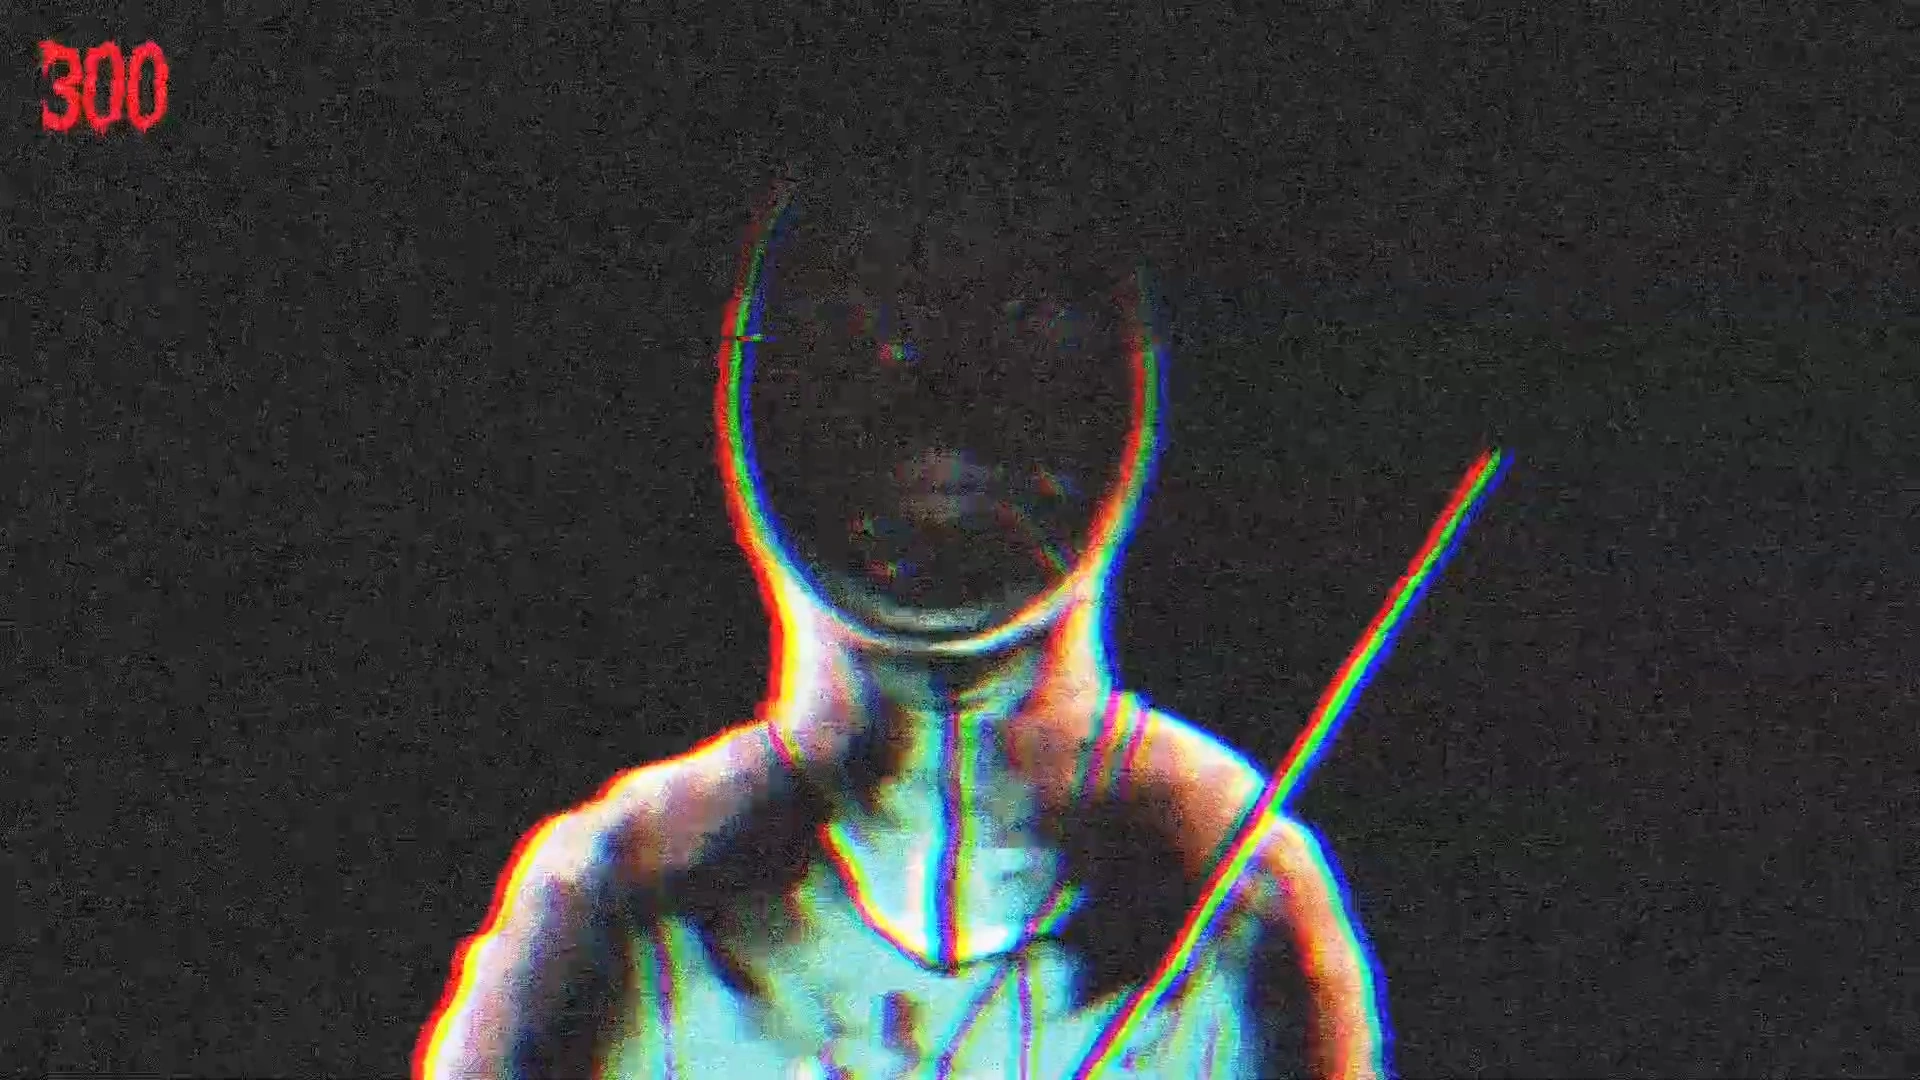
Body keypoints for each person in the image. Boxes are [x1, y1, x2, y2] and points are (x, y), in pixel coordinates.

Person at [417, 171, 1387, 1079]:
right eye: (863, 345)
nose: (943, 415)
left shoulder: (1235, 901)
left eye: (1023, 340)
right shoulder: (631, 902)